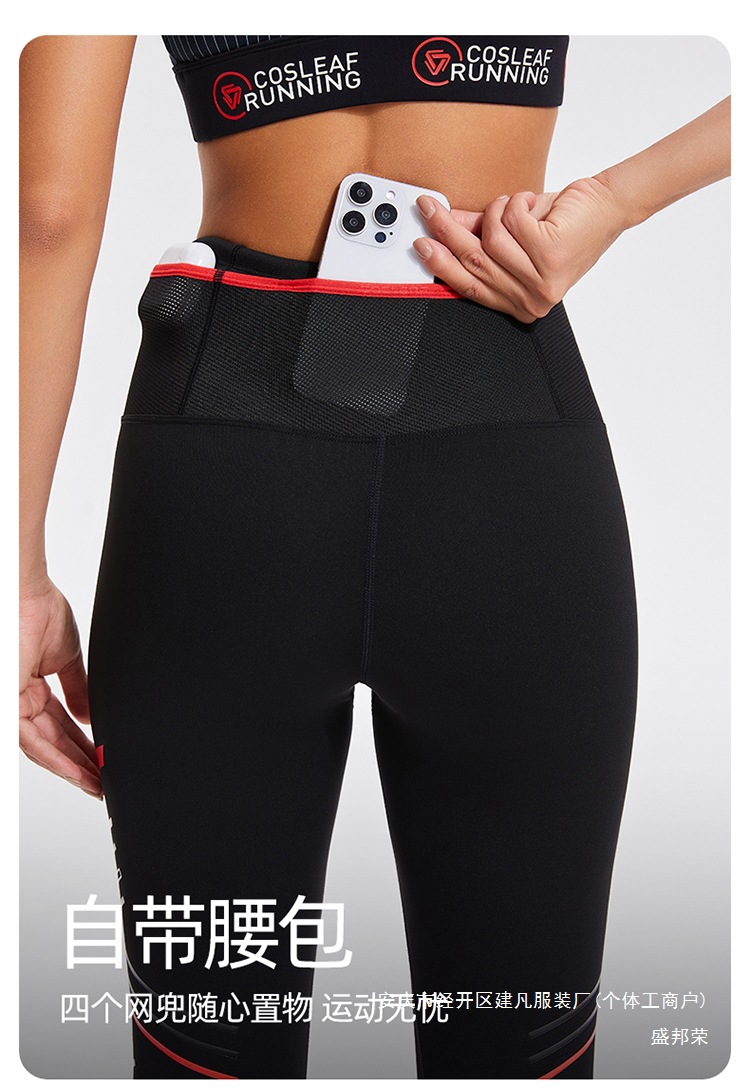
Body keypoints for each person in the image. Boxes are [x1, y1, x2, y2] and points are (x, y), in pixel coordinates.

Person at [19, 35, 730, 1080]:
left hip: (222, 444)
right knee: (521, 1037)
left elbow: (48, 214)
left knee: (205, 1039)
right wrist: (614, 201)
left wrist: (17, 571)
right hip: (503, 438)